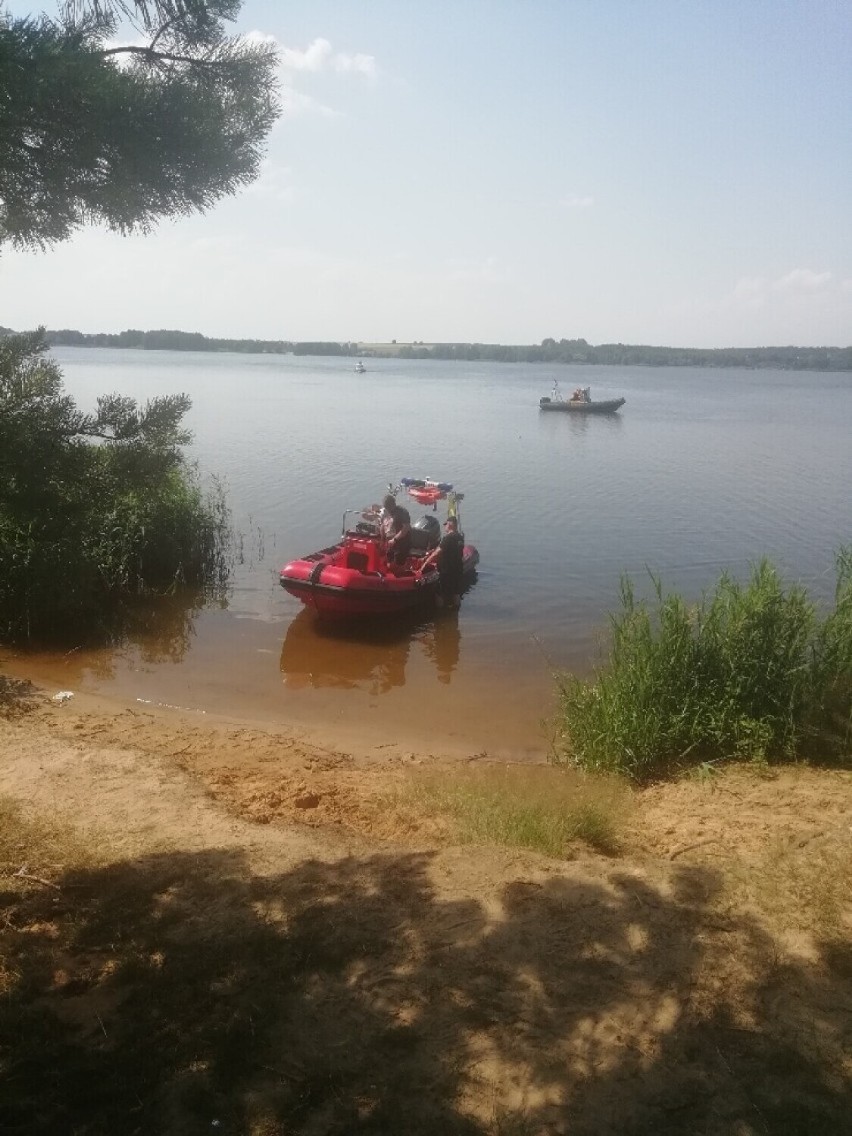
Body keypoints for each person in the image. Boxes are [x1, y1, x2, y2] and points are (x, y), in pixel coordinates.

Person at [421, 515, 464, 608]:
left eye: (446, 524)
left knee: (439, 592)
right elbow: (451, 550)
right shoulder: (460, 537)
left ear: (450, 524)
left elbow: (437, 553)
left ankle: (440, 615)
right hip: (457, 569)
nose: (445, 527)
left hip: (446, 571)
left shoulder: (448, 538)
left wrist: (425, 563)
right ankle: (456, 613)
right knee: (456, 592)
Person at [382, 494, 411, 567]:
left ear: (393, 504)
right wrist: (382, 540)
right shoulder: (386, 512)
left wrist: (394, 539)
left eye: (388, 506)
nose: (387, 508)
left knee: (397, 565)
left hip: (401, 542)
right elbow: (382, 525)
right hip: (389, 543)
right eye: (386, 506)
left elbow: (406, 528)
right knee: (388, 563)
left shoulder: (402, 512)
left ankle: (402, 569)